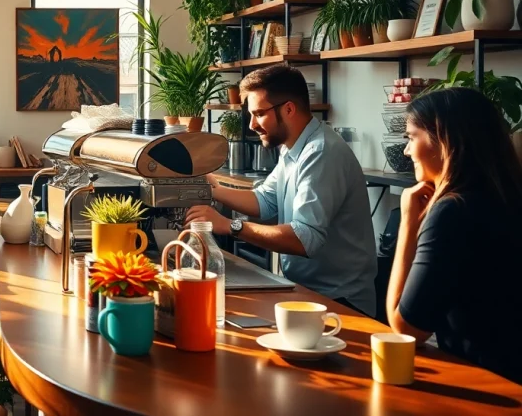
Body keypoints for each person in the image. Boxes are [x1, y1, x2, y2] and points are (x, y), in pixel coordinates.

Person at [186, 65, 377, 315]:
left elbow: (304, 238)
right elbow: (265, 200)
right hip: (307, 290)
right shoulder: (292, 146)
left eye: (259, 114)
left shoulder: (320, 152)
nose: (252, 124)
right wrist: (211, 190)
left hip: (340, 300)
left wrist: (230, 226)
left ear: (288, 109)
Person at [386, 88, 522, 383]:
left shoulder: (453, 211)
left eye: (411, 137)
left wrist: (408, 223)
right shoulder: (505, 196)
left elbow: (405, 328)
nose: (407, 151)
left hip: (487, 385)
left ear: (444, 141)